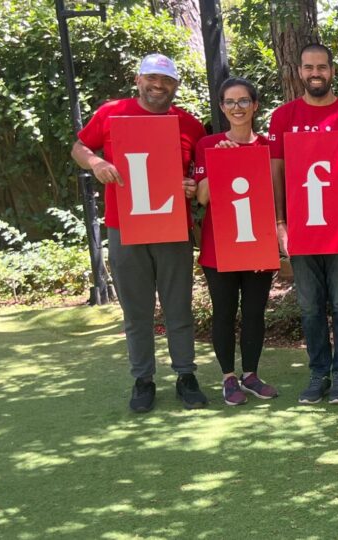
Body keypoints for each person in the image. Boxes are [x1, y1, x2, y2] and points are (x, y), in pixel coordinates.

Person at [71, 53, 209, 412]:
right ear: (139, 79)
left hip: (173, 227)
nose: (158, 86)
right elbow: (79, 147)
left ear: (175, 86)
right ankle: (143, 379)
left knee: (179, 308)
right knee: (137, 311)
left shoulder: (190, 125)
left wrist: (191, 185)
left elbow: (198, 174)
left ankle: (185, 375)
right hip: (124, 227)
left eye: (166, 81)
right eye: (152, 78)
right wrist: (97, 162)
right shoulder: (111, 113)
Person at [267, 43, 338, 405]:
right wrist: (280, 223)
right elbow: (276, 172)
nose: (315, 73)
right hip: (301, 228)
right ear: (299, 72)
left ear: (332, 71)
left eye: (322, 67)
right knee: (310, 307)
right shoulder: (282, 117)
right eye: (309, 67)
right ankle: (318, 373)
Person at [192, 77, 280, 406]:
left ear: (255, 105)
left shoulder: (269, 147)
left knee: (255, 312)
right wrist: (221, 163)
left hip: (257, 242)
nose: (237, 108)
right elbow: (202, 198)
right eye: (230, 102)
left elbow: (276, 196)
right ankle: (229, 378)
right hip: (220, 246)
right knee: (225, 313)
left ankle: (251, 375)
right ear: (221, 107)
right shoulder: (209, 144)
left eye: (244, 101)